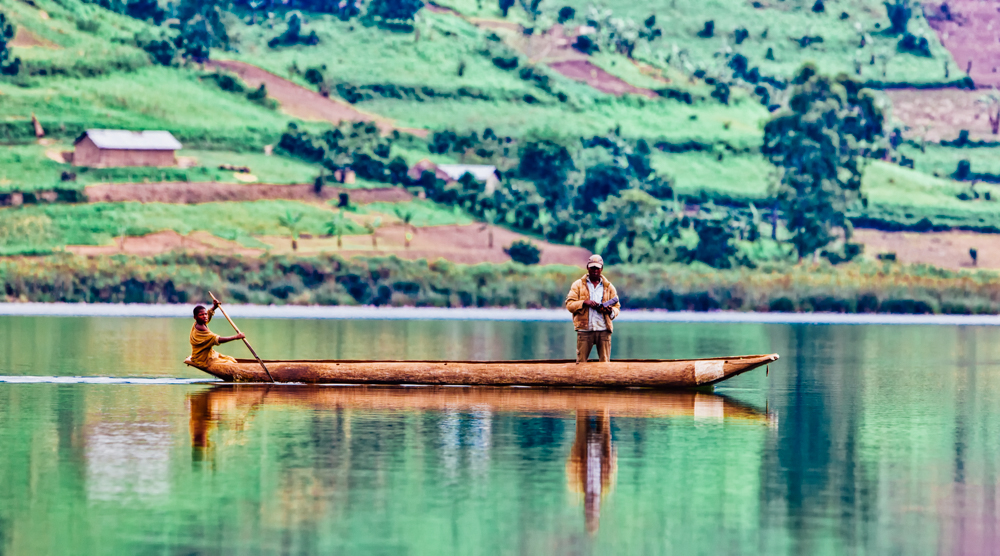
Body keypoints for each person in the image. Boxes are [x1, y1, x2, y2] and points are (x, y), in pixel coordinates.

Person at [564, 254, 621, 363]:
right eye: (592, 268)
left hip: (604, 330)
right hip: (584, 330)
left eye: (597, 268)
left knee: (605, 365)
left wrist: (610, 311)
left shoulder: (609, 287)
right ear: (588, 268)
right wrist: (585, 303)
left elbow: (617, 307)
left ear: (601, 269)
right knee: (581, 363)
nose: (595, 270)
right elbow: (569, 305)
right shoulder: (578, 285)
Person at [189, 300, 245, 368]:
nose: (204, 316)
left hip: (208, 354)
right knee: (230, 363)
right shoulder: (201, 329)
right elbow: (217, 339)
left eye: (205, 314)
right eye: (201, 315)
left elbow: (208, 315)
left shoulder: (199, 323)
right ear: (195, 317)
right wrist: (236, 337)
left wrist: (214, 307)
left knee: (230, 359)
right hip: (202, 358)